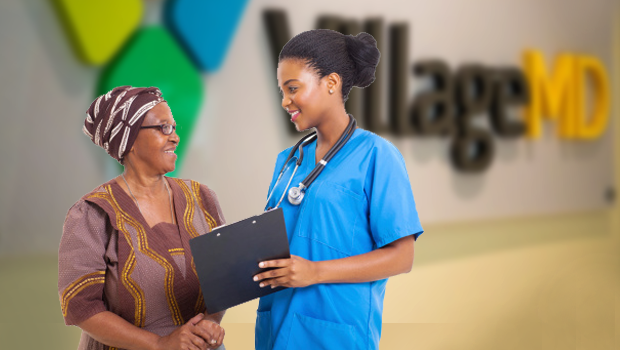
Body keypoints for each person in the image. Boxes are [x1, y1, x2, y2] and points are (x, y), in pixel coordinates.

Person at [253, 29, 424, 349]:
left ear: (331, 83)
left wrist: (314, 272)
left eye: (293, 89)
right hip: (276, 329)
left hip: (334, 334)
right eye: (282, 91)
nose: (285, 101)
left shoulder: (377, 156)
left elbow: (402, 257)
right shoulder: (288, 161)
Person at [58, 86, 227, 350]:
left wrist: (210, 321)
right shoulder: (92, 214)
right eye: (164, 128)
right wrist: (160, 343)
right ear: (130, 139)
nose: (176, 137)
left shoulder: (202, 198)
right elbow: (81, 307)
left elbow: (223, 278)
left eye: (174, 127)